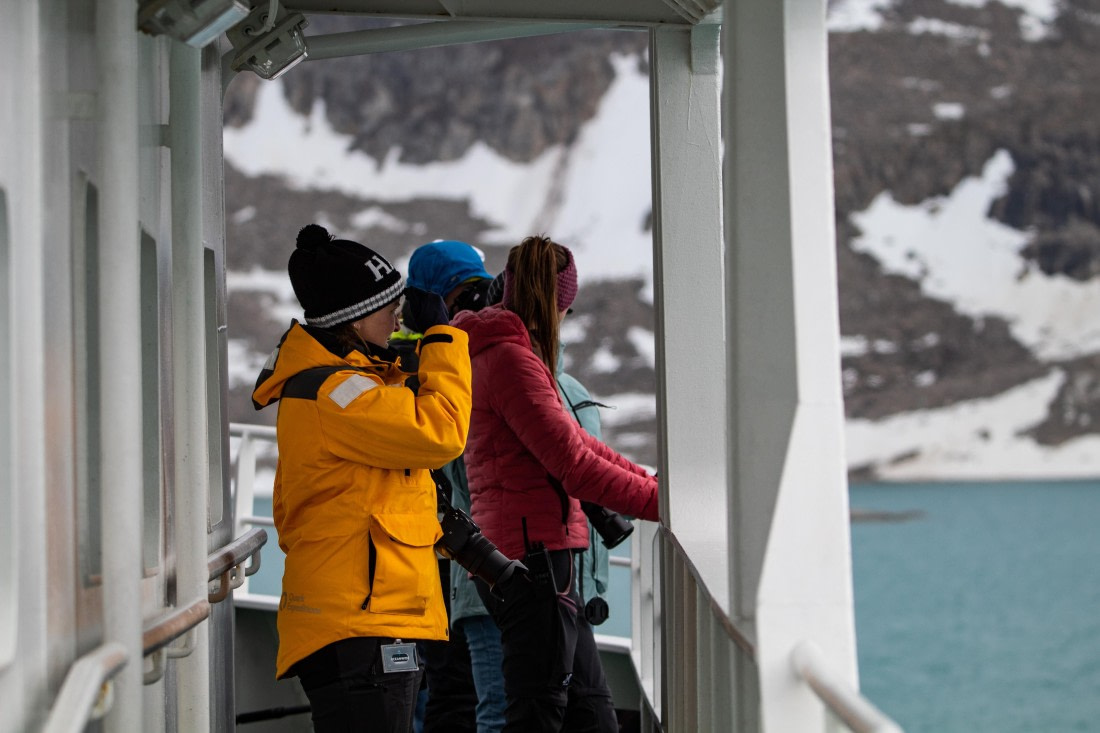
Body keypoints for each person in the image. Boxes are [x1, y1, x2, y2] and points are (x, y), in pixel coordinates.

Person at [251, 224, 471, 733]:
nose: (398, 314)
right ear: (350, 318)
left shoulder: (348, 385)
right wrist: (442, 337)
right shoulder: (338, 395)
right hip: (361, 623)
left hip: (361, 620)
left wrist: (408, 356)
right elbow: (440, 432)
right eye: (386, 304)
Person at [451, 235, 660, 733]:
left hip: (538, 557)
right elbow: (576, 467)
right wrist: (661, 504)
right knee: (535, 714)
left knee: (590, 713)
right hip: (534, 563)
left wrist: (654, 487)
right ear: (557, 305)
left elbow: (581, 448)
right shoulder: (511, 361)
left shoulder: (506, 354)